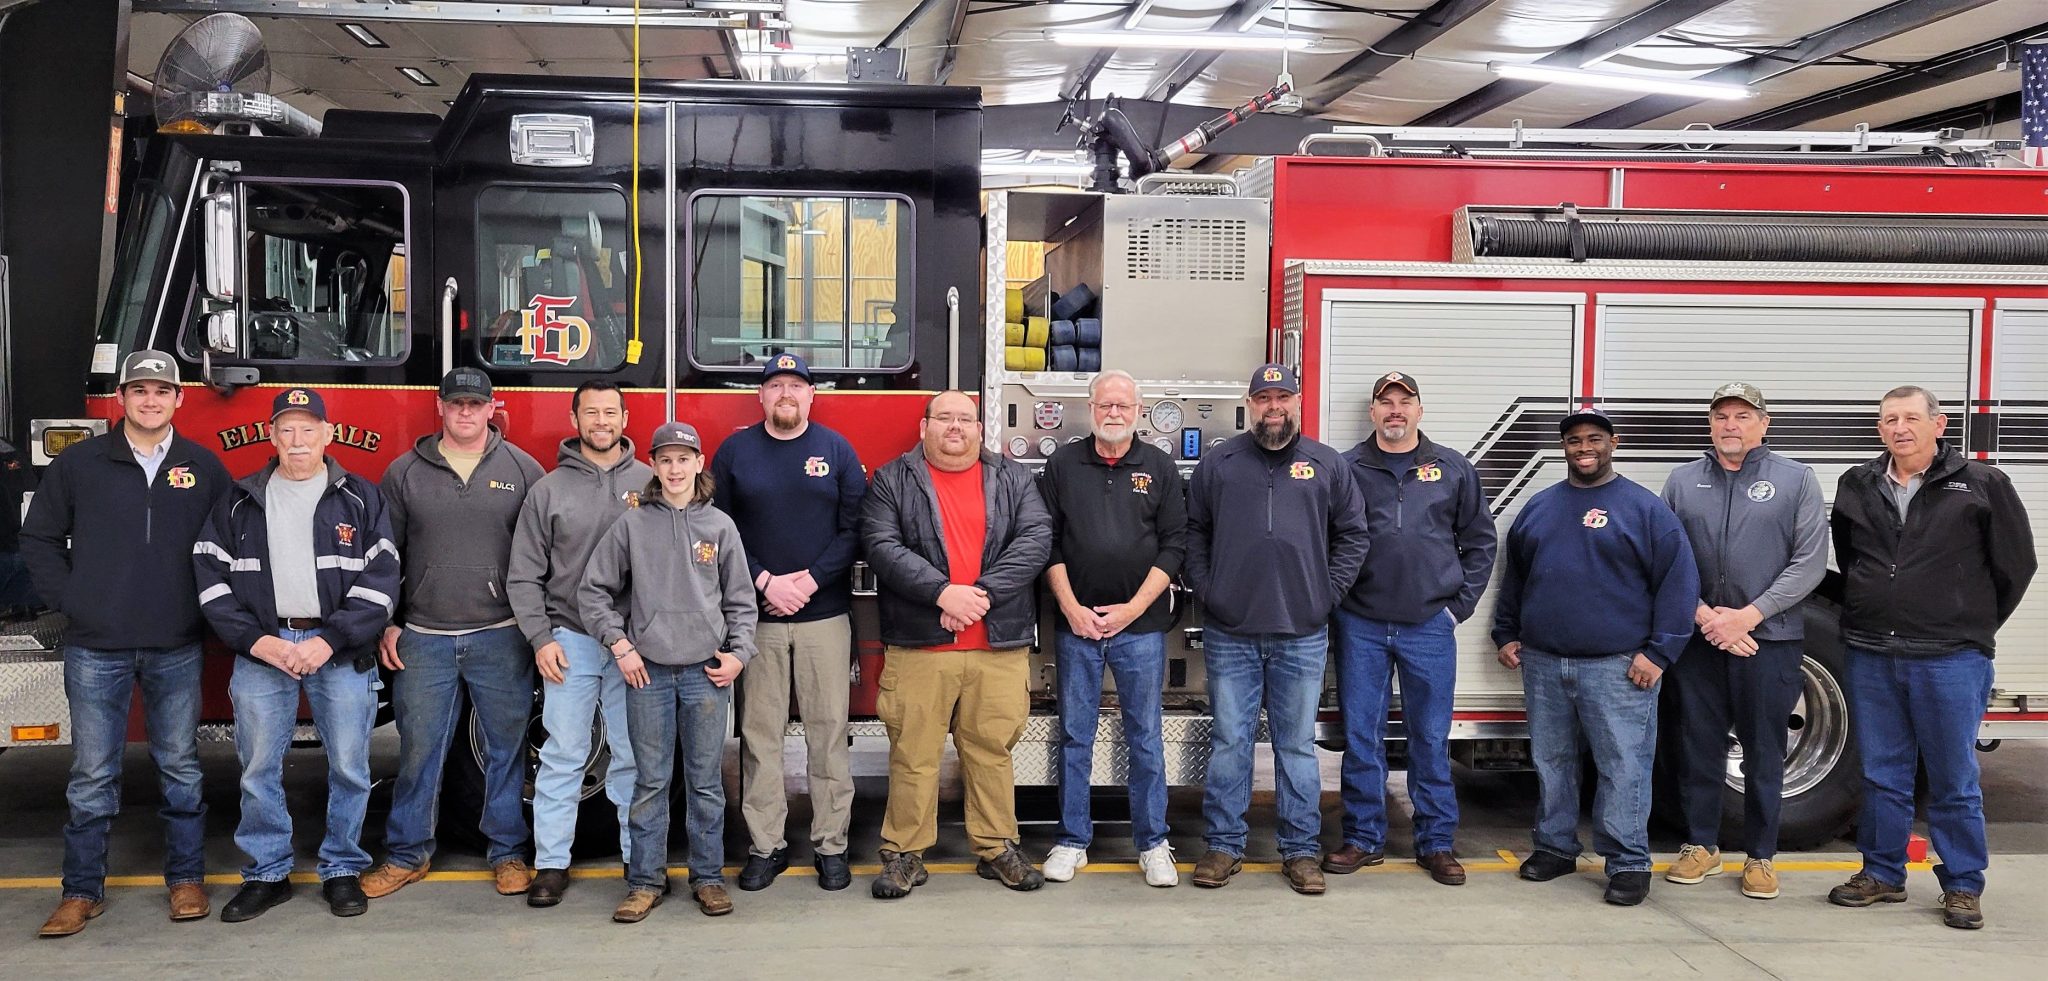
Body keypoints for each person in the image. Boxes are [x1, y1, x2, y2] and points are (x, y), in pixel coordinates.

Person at [22, 351, 229, 937]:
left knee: (181, 768)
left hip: (176, 643)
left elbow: (231, 543)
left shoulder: (203, 466)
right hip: (95, 647)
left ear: (179, 399)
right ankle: (81, 892)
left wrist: (205, 609)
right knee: (91, 773)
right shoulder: (80, 463)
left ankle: (185, 881)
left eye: (162, 391)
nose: (151, 400)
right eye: (139, 390)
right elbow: (38, 538)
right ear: (121, 398)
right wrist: (73, 602)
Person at [1826, 385, 2035, 930]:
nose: (1900, 428)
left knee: (1953, 777)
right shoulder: (1858, 484)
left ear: (1938, 424)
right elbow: (1851, 556)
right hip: (1874, 652)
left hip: (1951, 658)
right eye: (1889, 419)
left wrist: (1968, 622)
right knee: (1881, 773)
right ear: (1880, 429)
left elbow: (2016, 566)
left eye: (1912, 418)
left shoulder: (1982, 485)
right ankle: (1882, 872)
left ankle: (1964, 885)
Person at [192, 387, 401, 921]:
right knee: (258, 767)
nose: (298, 440)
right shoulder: (239, 500)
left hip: (337, 650)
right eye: (287, 429)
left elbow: (382, 582)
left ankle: (342, 868)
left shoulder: (361, 497)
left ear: (327, 435)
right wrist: (255, 640)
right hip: (263, 649)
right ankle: (267, 873)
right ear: (272, 435)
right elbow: (210, 579)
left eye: (309, 429)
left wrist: (329, 639)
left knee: (351, 766)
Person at [1493, 407, 1698, 907]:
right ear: (1563, 448)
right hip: (1544, 662)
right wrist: (1506, 632)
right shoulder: (1540, 507)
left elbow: (1679, 583)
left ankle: (1627, 862)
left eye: (1594, 439)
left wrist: (1660, 653)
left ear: (1614, 443)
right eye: (1574, 441)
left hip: (1619, 666)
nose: (1584, 448)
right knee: (1551, 761)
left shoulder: (1644, 509)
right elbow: (1516, 578)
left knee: (1623, 765)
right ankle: (1555, 848)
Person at [1185, 363, 1369, 896]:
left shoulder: (1327, 464)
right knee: (1230, 742)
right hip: (1230, 632)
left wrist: (1325, 595)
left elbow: (1353, 535)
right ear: (1249, 404)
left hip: (1302, 632)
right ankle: (1223, 846)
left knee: (1295, 747)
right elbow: (1194, 532)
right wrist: (1208, 589)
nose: (1273, 407)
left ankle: (1300, 852)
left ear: (1297, 401)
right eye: (1263, 398)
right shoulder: (1220, 463)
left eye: (1282, 397)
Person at [860, 390, 1052, 900]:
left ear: (979, 428)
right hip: (921, 644)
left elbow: (1035, 539)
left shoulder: (1013, 478)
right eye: (943, 417)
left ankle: (996, 848)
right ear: (923, 426)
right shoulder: (891, 480)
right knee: (913, 753)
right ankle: (904, 854)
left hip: (996, 643)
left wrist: (979, 596)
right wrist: (943, 592)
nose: (954, 427)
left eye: (964, 419)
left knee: (991, 751)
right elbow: (881, 545)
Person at [364, 368, 546, 900]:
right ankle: (406, 854)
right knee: (419, 749)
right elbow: (383, 558)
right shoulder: (403, 473)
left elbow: (539, 557)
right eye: (456, 404)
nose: (465, 413)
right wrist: (389, 622)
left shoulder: (524, 470)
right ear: (438, 408)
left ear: (493, 409)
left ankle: (508, 854)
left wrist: (536, 630)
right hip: (423, 637)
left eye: (475, 404)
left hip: (501, 634)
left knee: (505, 750)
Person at [579, 421, 757, 924]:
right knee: (650, 782)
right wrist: (621, 645)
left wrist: (739, 654)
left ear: (700, 464)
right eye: (666, 459)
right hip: (648, 674)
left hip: (706, 673)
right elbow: (592, 592)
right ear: (653, 466)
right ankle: (644, 882)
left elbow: (742, 601)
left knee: (704, 783)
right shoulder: (633, 524)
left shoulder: (720, 527)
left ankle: (707, 878)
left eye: (685, 458)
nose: (675, 468)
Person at [1328, 371, 1495, 886]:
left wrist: (1455, 608)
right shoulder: (1346, 468)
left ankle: (1437, 842)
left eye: (1405, 401)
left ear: (1420, 410)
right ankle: (1362, 837)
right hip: (1361, 623)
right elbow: (1327, 540)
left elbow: (1481, 543)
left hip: (1429, 625)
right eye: (1386, 402)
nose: (1395, 410)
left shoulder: (1452, 468)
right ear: (1373, 413)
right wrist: (1338, 604)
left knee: (1428, 737)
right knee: (1362, 736)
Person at [1660, 383, 1826, 901]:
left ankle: (1760, 856)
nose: (1731, 424)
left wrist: (1748, 617)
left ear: (1764, 423)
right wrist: (1706, 617)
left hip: (1769, 640)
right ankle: (1701, 847)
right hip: (1700, 638)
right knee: (1698, 745)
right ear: (1710, 425)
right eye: (1722, 416)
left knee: (1764, 750)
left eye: (1742, 416)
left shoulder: (1796, 480)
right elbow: (1667, 557)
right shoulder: (1684, 481)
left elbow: (1810, 563)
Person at [711, 354, 867, 893]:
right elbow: (720, 529)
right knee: (760, 736)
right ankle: (766, 846)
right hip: (758, 619)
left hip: (824, 615)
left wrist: (807, 581)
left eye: (795, 386)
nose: (785, 393)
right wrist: (764, 582)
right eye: (775, 385)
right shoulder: (735, 451)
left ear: (811, 396)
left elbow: (854, 529)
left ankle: (832, 845)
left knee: (829, 734)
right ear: (761, 397)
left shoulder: (836, 450)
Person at [1037, 369, 1187, 887]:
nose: (1115, 413)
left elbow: (1175, 546)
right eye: (1106, 405)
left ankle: (1153, 843)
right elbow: (1047, 542)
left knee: (1145, 736)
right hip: (1076, 624)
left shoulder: (1160, 467)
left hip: (1141, 627)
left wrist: (1130, 609)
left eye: (1124, 405)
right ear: (1091, 408)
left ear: (1139, 411)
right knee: (1075, 735)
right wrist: (1073, 607)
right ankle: (1072, 840)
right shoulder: (1063, 464)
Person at [507, 380, 651, 907]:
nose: (601, 421)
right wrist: (540, 639)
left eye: (610, 412)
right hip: (569, 640)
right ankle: (550, 865)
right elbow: (523, 576)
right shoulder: (547, 490)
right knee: (564, 755)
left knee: (634, 755)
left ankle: (641, 862)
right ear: (574, 420)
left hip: (634, 646)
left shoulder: (653, 482)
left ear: (624, 417)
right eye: (591, 413)